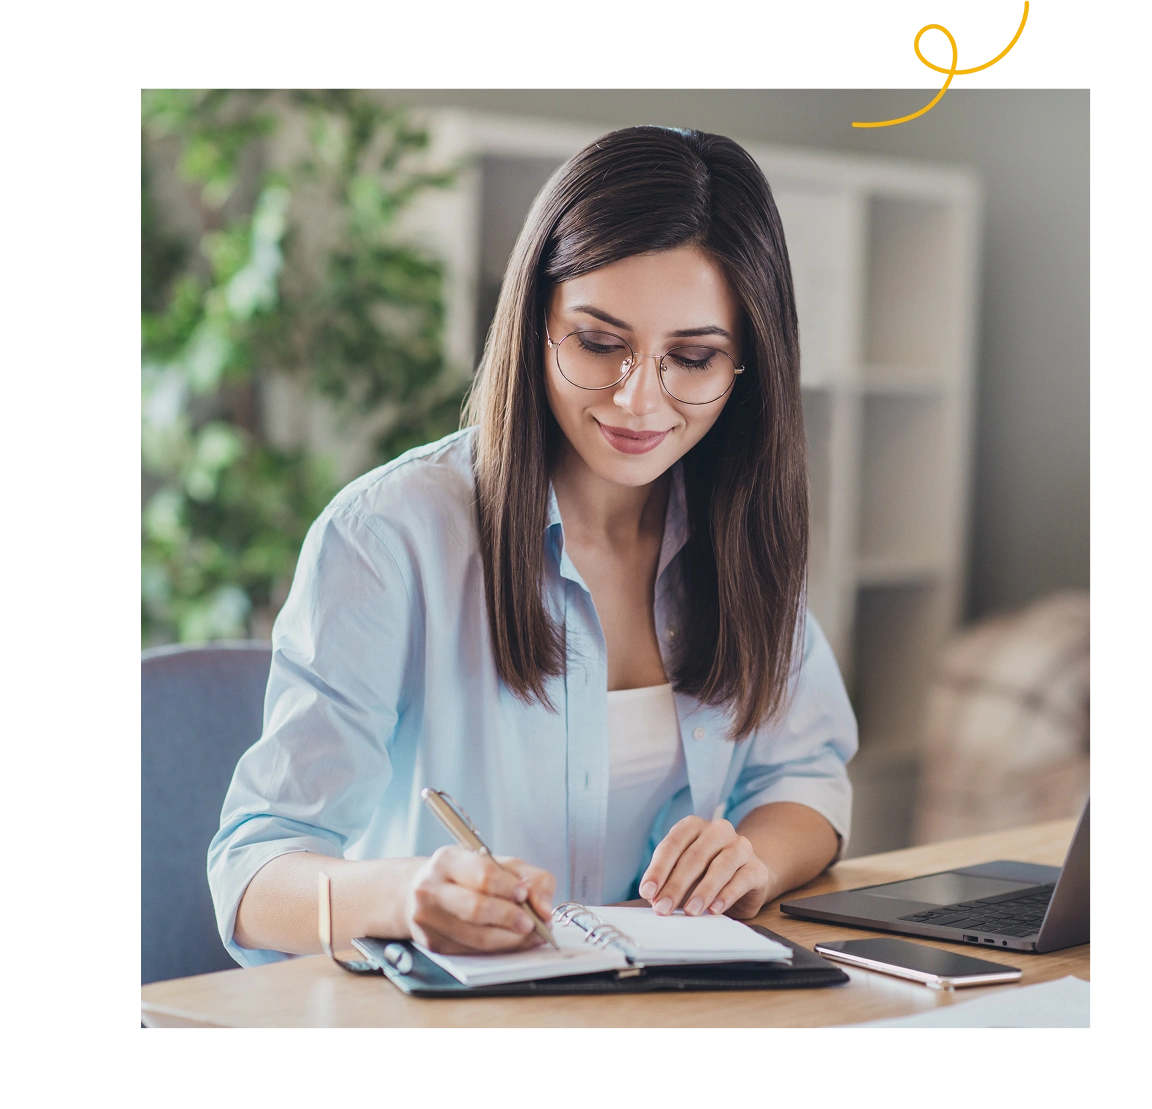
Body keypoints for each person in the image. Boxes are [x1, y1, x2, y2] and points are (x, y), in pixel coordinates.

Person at [209, 125, 857, 965]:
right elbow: (251, 872)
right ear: (535, 323)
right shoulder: (388, 538)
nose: (639, 400)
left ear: (747, 367)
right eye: (598, 343)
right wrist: (407, 897)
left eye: (692, 358)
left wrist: (753, 856)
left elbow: (807, 777)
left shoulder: (738, 528)